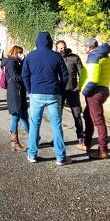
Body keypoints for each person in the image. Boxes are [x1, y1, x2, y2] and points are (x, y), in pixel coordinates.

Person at [21, 31, 72, 166]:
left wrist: (30, 90)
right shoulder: (56, 56)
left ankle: (32, 154)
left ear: (37, 42)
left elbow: (24, 75)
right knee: (56, 125)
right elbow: (65, 76)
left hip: (36, 93)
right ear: (50, 42)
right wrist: (60, 90)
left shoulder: (30, 56)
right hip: (53, 94)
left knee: (34, 125)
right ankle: (60, 157)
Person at [79, 38, 110, 159]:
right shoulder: (104, 56)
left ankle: (103, 150)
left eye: (85, 46)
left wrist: (85, 91)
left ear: (89, 47)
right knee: (87, 115)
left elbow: (93, 79)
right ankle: (86, 144)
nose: (84, 49)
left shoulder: (94, 57)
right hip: (102, 90)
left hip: (94, 92)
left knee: (98, 121)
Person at [55, 40, 85, 149]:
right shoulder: (55, 58)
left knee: (76, 114)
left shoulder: (74, 57)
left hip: (72, 90)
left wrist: (79, 87)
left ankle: (81, 137)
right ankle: (57, 138)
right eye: (60, 48)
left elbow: (82, 73)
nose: (62, 50)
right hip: (59, 91)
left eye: (63, 47)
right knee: (57, 115)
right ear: (57, 49)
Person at [2, 45, 29, 152]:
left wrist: (22, 62)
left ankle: (33, 136)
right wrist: (26, 75)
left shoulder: (14, 62)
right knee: (15, 117)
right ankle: (14, 142)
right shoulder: (11, 63)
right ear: (15, 52)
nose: (21, 55)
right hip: (14, 93)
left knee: (23, 116)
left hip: (18, 92)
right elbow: (16, 77)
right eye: (20, 53)